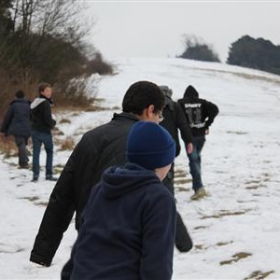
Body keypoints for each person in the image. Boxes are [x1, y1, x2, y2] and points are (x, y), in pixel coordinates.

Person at [30, 80, 167, 267]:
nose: (159, 122)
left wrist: (43, 252)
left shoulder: (90, 137)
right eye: (159, 116)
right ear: (150, 110)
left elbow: (62, 196)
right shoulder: (146, 147)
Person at [63, 121, 177, 280]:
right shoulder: (158, 198)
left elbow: (85, 239)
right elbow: (157, 266)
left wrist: (68, 274)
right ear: (159, 161)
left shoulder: (102, 187)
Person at [159, 85, 193, 252]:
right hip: (171, 148)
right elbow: (183, 125)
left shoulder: (154, 105)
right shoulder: (175, 106)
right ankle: (168, 198)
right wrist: (189, 142)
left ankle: (163, 196)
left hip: (152, 146)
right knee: (168, 173)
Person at [178, 85, 219, 200]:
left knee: (193, 160)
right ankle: (198, 186)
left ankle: (199, 188)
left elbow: (176, 116)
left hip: (189, 137)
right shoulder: (202, 102)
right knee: (196, 159)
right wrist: (207, 123)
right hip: (201, 136)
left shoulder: (181, 103)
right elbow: (215, 109)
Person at [30, 82, 57, 182]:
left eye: (50, 90)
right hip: (44, 131)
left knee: (36, 153)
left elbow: (30, 117)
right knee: (49, 152)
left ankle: (35, 175)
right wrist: (53, 123)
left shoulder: (34, 103)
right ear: (42, 92)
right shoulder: (45, 103)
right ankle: (49, 174)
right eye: (47, 91)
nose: (49, 92)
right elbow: (47, 119)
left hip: (34, 130)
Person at [0, 90, 31, 168]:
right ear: (24, 97)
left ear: (16, 97)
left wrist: (2, 129)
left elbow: (7, 118)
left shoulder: (13, 106)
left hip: (17, 129)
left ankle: (24, 163)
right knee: (23, 144)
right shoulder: (29, 105)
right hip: (28, 129)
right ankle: (24, 160)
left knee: (21, 144)